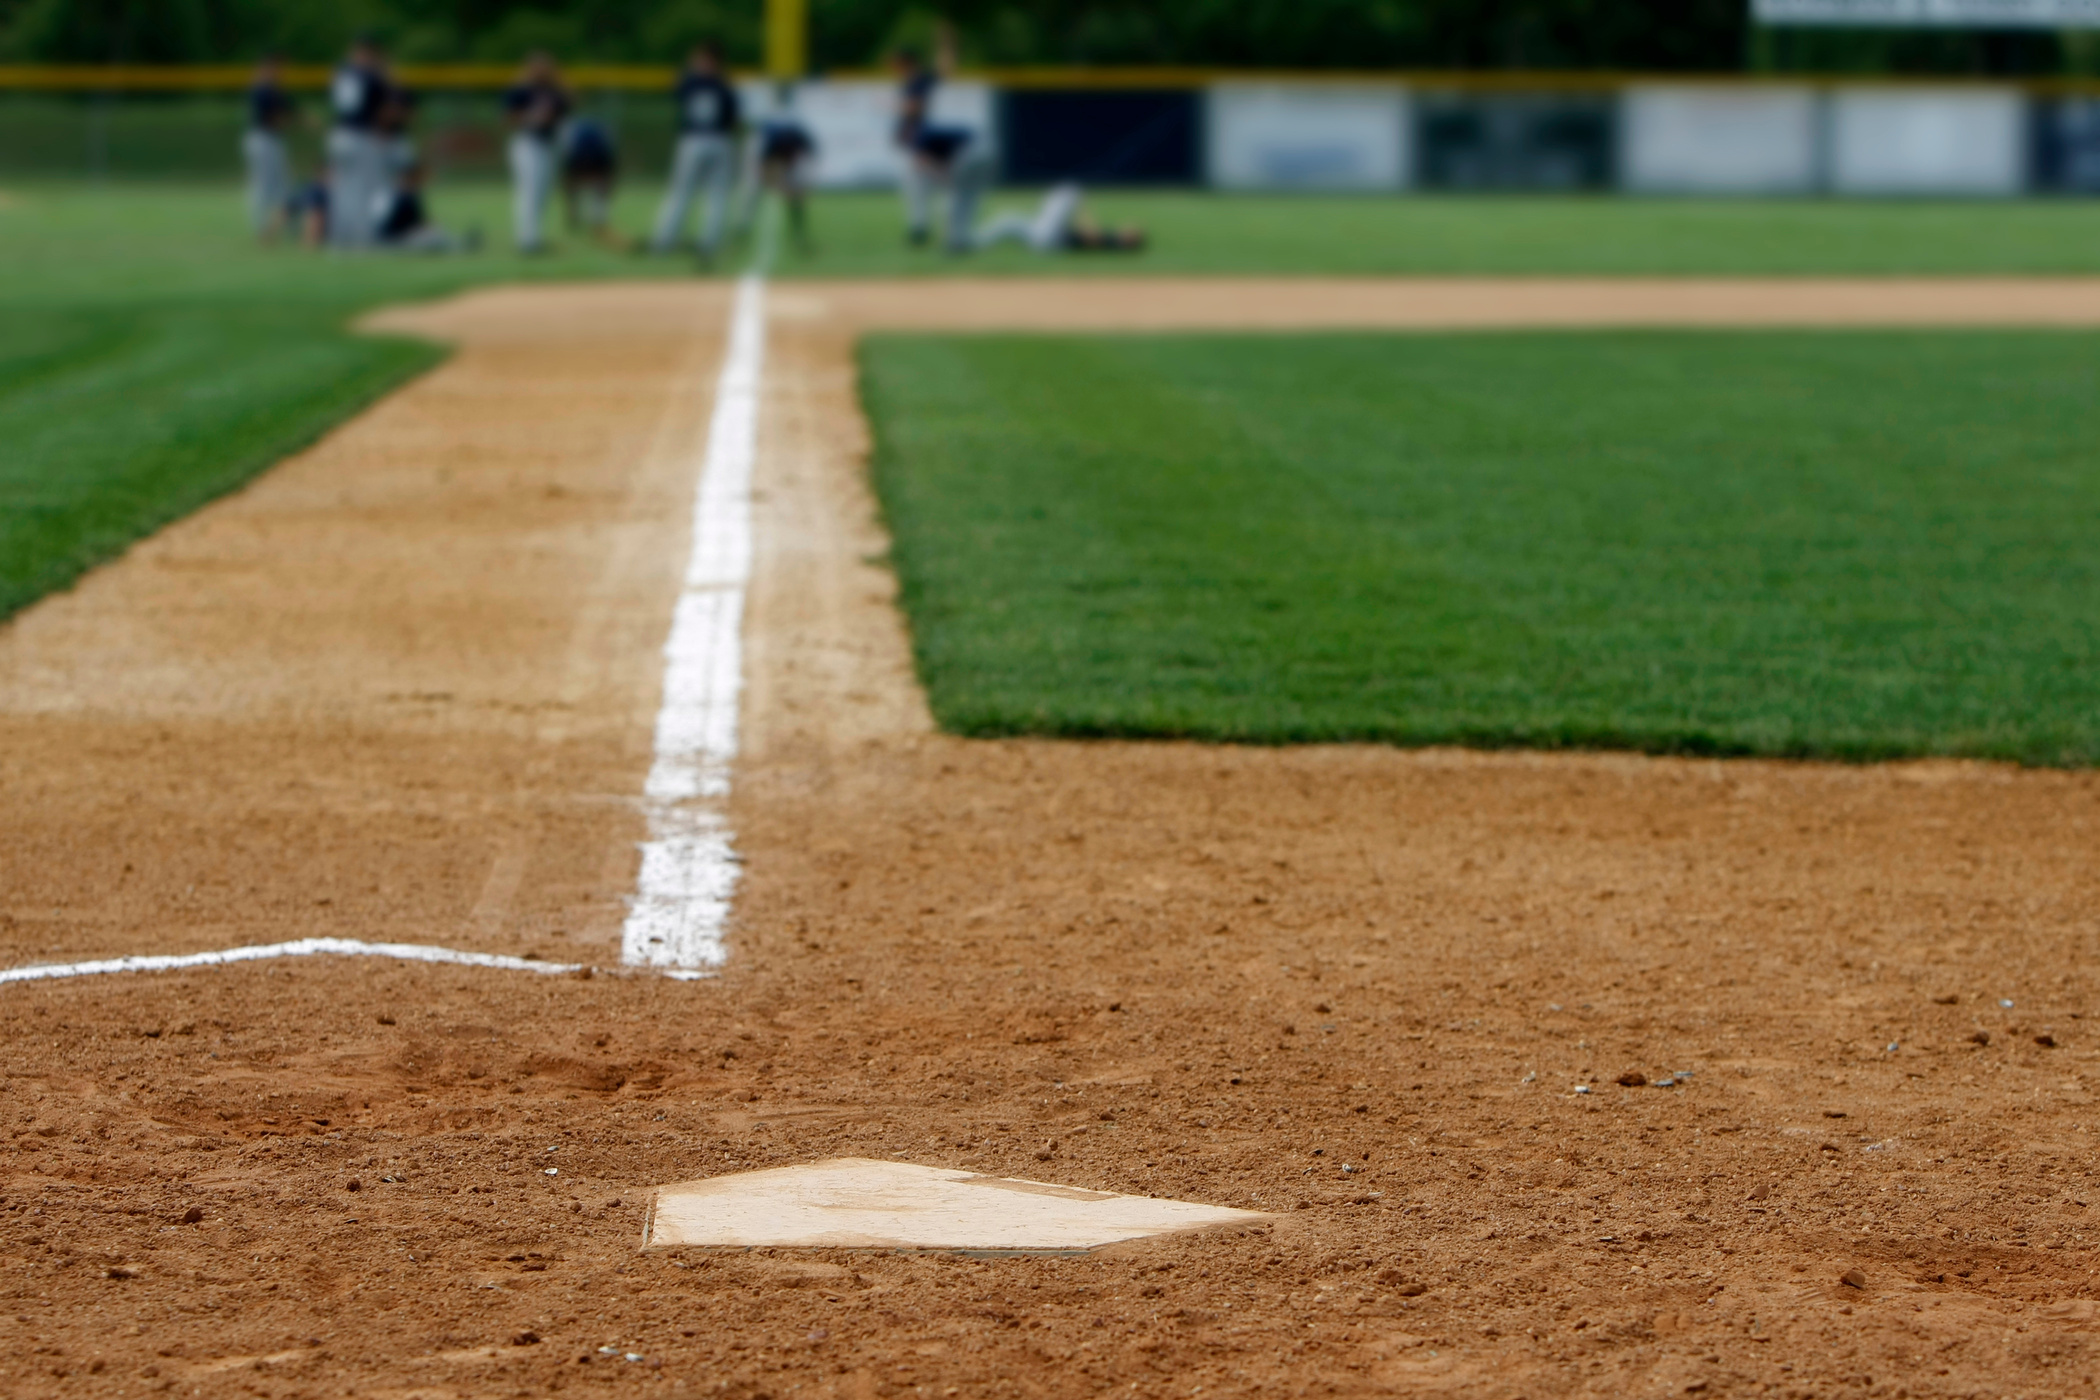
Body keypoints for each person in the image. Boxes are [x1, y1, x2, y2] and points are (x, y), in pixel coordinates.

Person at [890, 25, 988, 254]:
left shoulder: (918, 80)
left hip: (925, 144)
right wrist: (946, 43)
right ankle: (924, 227)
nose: (893, 66)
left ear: (906, 61)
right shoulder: (912, 81)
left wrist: (947, 43)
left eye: (896, 61)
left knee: (929, 185)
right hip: (920, 144)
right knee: (921, 187)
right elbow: (945, 69)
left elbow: (919, 103)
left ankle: (926, 229)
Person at [650, 43, 741, 258]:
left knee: (682, 192)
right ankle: (709, 243)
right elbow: (734, 120)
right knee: (714, 195)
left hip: (693, 140)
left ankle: (664, 241)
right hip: (720, 140)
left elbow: (677, 95)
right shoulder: (724, 85)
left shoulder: (689, 82)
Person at [326, 35, 391, 249]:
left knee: (343, 188)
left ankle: (340, 237)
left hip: (339, 135)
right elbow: (383, 111)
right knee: (367, 188)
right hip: (362, 136)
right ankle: (363, 239)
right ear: (371, 53)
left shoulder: (342, 73)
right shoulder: (372, 76)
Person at [504, 52, 570, 253]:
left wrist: (561, 83)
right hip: (527, 143)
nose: (542, 71)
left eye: (546, 67)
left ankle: (535, 237)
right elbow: (508, 118)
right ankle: (527, 240)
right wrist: (531, 118)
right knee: (529, 191)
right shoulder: (521, 90)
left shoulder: (554, 91)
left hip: (549, 144)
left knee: (543, 193)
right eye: (538, 67)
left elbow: (569, 107)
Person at [971, 183, 1145, 254]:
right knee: (1008, 219)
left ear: (1130, 240)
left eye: (1132, 231)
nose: (1128, 227)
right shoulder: (1113, 239)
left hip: (1050, 240)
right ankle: (975, 241)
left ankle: (973, 242)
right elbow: (1089, 234)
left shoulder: (1114, 242)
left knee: (1069, 192)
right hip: (1048, 236)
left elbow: (1091, 236)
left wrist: (1086, 220)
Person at [736, 114, 817, 254]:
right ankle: (743, 227)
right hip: (766, 161)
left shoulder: (800, 139)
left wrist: (797, 186)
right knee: (753, 191)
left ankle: (798, 233)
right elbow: (762, 168)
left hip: (785, 162)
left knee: (796, 197)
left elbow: (809, 160)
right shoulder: (770, 142)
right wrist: (777, 184)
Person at [242, 54, 295, 241]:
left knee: (282, 185)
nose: (281, 72)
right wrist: (293, 120)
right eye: (278, 67)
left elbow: (289, 111)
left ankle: (283, 227)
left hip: (272, 140)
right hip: (262, 140)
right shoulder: (261, 89)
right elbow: (275, 118)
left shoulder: (274, 89)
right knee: (263, 186)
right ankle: (262, 227)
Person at [374, 163, 477, 253]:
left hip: (391, 236)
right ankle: (459, 246)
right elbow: (415, 222)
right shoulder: (405, 196)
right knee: (434, 236)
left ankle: (458, 244)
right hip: (395, 239)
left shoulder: (398, 194)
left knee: (434, 234)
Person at [561, 116, 621, 245]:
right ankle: (582, 218)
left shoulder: (604, 156)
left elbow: (607, 181)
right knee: (574, 189)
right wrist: (572, 212)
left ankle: (598, 222)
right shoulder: (575, 156)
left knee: (601, 190)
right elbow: (569, 183)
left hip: (595, 154)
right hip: (579, 153)